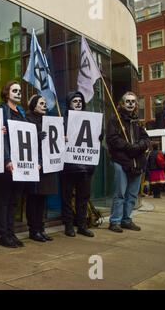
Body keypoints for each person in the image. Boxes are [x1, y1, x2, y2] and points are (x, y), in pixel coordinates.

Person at [106, 91, 150, 233]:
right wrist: (127, 146)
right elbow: (112, 138)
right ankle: (115, 221)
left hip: (137, 162)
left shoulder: (138, 121)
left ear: (136, 104)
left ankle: (126, 219)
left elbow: (146, 139)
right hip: (120, 161)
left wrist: (139, 146)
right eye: (127, 101)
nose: (130, 103)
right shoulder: (115, 120)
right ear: (122, 103)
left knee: (132, 194)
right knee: (120, 193)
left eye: (133, 101)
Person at [0, 81, 26, 248]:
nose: (18, 93)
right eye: (15, 90)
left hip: (19, 162)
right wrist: (6, 159)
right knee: (3, 199)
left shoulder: (21, 111)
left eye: (19, 91)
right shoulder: (1, 110)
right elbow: (0, 137)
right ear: (7, 93)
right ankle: (2, 234)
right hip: (5, 162)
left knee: (14, 200)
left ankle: (11, 232)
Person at [61, 91, 95, 238]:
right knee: (67, 198)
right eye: (75, 101)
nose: (78, 103)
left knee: (83, 198)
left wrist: (99, 136)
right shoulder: (63, 120)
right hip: (68, 166)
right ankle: (69, 226)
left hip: (85, 166)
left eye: (80, 100)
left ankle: (82, 225)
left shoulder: (90, 120)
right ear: (69, 103)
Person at [25, 95, 58, 242]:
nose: (44, 106)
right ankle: (34, 230)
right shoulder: (27, 119)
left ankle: (40, 228)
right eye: (41, 103)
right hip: (35, 165)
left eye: (45, 103)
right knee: (34, 198)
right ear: (33, 105)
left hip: (46, 165)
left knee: (43, 198)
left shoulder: (48, 121)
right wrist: (35, 137)